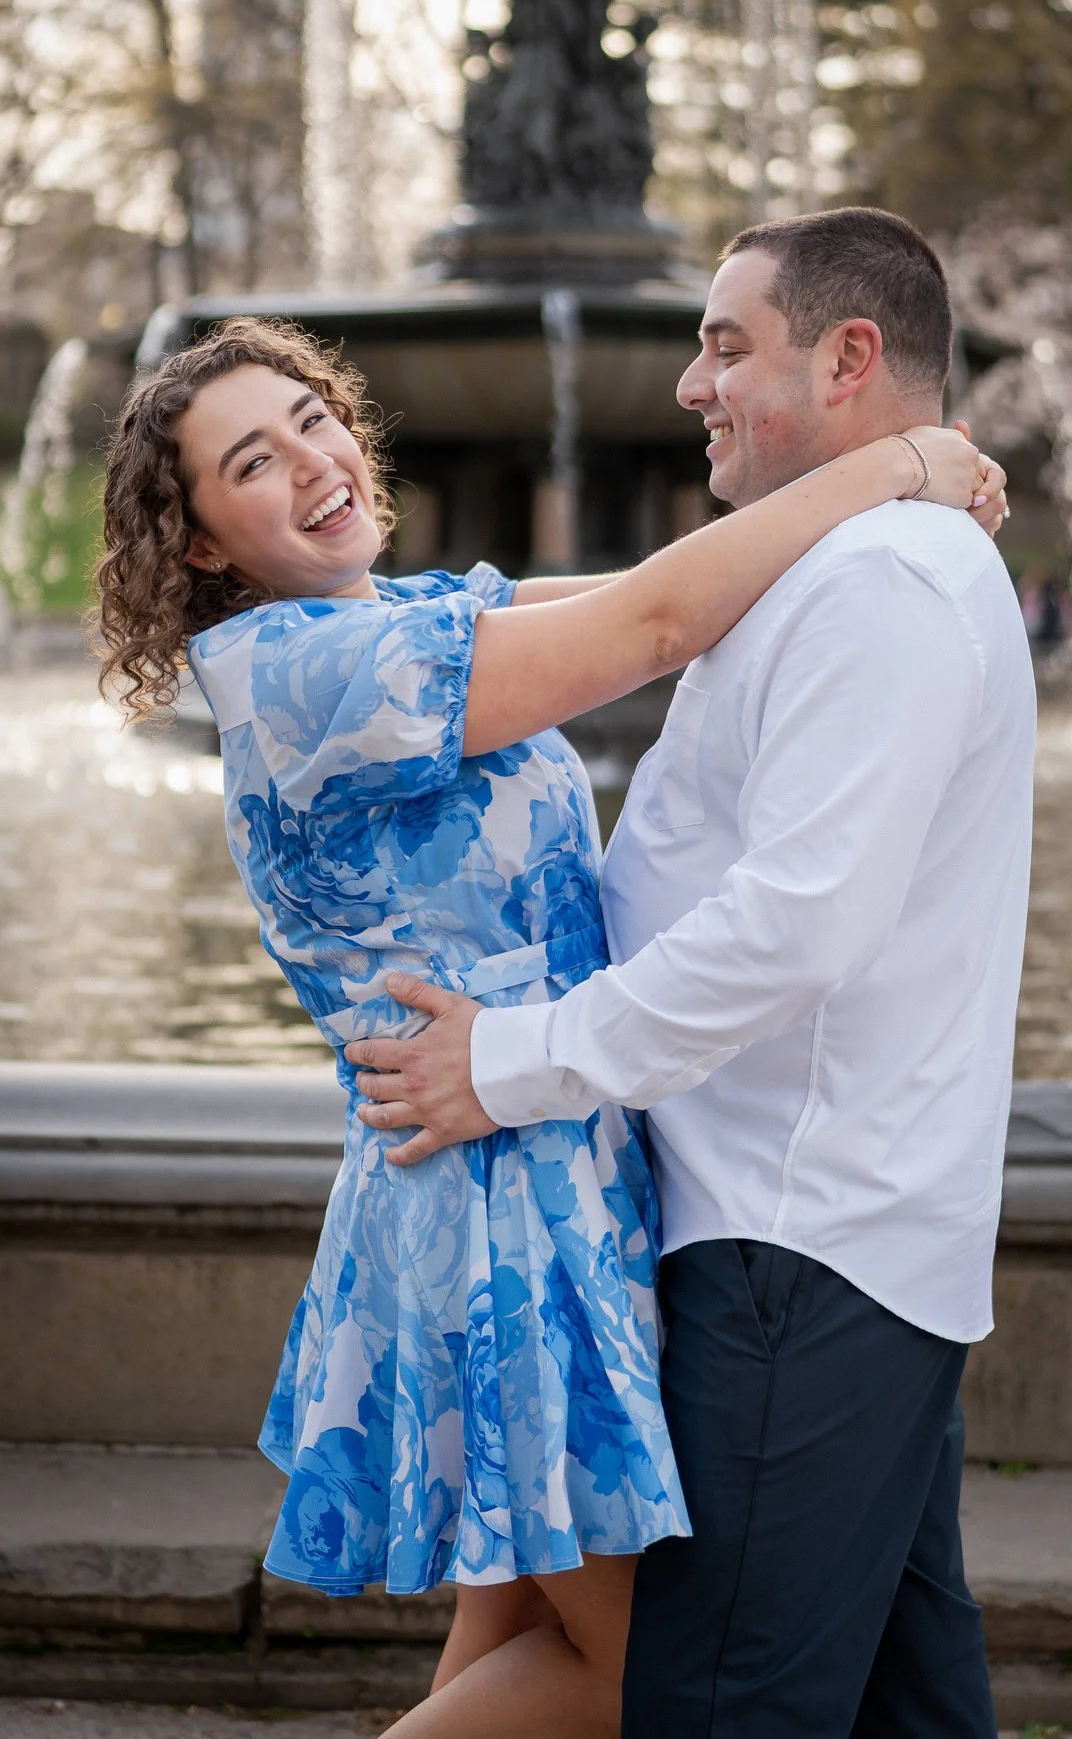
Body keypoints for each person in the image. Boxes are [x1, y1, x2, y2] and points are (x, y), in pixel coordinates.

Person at [95, 307, 1005, 1739]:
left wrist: (867, 505)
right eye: (253, 464)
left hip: (535, 1154)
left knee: (516, 1635)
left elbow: (660, 582)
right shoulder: (312, 675)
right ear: (202, 544)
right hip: (502, 1193)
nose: (315, 464)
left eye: (315, 421)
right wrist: (900, 461)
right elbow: (654, 627)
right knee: (649, 1677)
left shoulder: (393, 621)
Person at [348, 207, 1033, 1738]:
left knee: (717, 1706)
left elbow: (798, 922)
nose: (688, 384)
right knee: (899, 1713)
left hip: (790, 1252)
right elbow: (607, 613)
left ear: (850, 358)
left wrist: (505, 1061)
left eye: (729, 346)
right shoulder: (838, 559)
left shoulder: (887, 590)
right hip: (810, 1232)